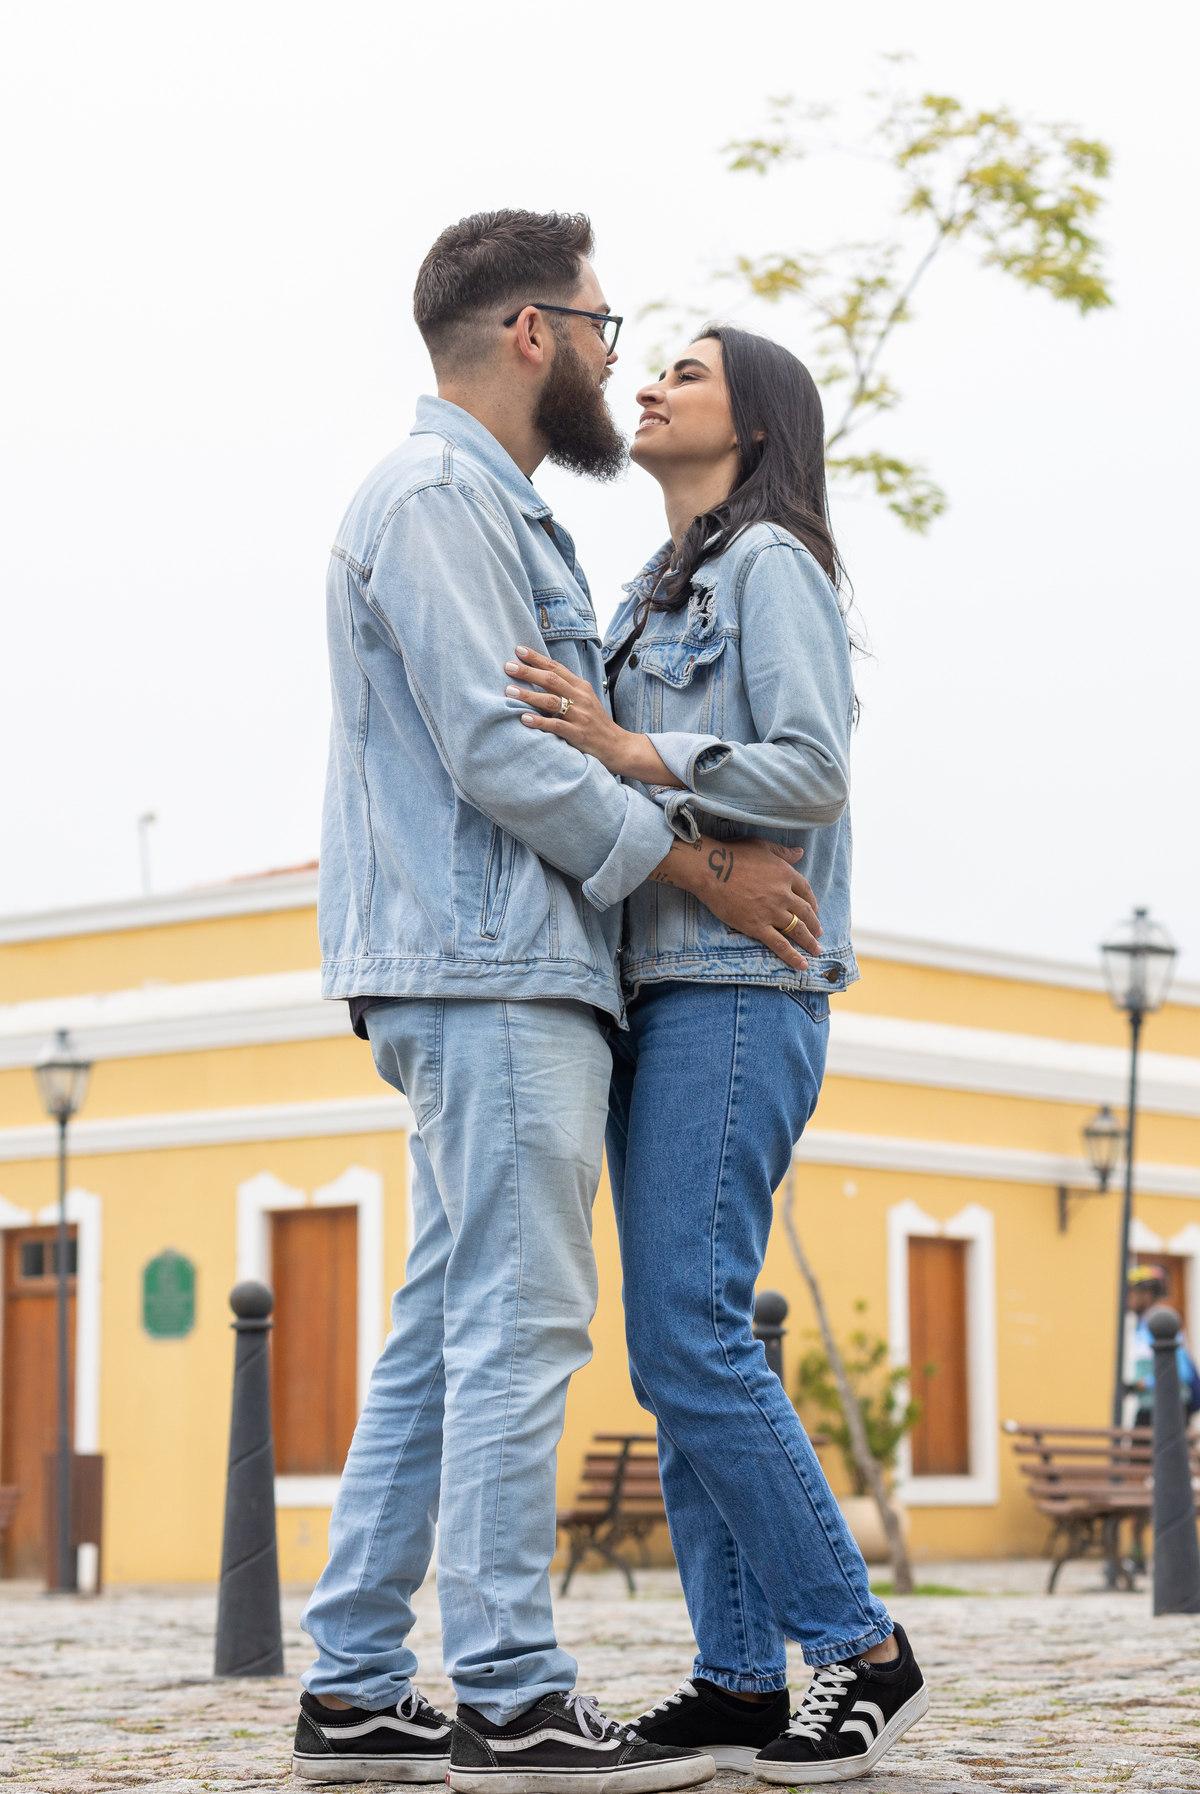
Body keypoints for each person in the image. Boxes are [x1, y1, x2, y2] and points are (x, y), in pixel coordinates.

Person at [294, 216, 821, 1791]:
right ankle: (513, 1693)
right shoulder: (442, 497)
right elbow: (499, 751)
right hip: (497, 966)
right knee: (520, 1331)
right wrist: (700, 867)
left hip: (481, 966)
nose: (615, 358)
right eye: (605, 325)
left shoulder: (481, 504)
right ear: (534, 330)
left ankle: (356, 1680)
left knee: (443, 1330)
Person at [504, 324, 928, 1783]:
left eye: (686, 371)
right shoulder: (651, 591)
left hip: (739, 989)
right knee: (679, 1347)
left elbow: (811, 772)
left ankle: (863, 1648)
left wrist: (632, 750)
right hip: (659, 992)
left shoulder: (770, 567)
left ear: (754, 423)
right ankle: (740, 1681)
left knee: (688, 1331)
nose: (649, 384)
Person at [1125, 1266, 1200, 1429]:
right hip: (1149, 1406)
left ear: (1146, 1294)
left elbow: (1181, 1372)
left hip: (1169, 1408)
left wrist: (1143, 1384)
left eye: (1131, 1292)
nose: (1126, 1298)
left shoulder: (1163, 1322)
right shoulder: (1140, 1325)